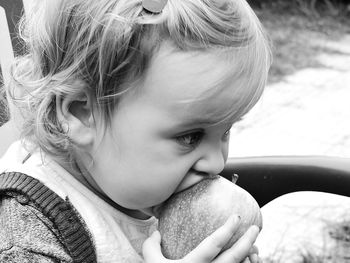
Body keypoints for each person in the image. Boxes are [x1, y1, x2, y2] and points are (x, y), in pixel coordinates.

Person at [0, 0, 271, 262]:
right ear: (81, 114)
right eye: (189, 137)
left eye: (225, 131)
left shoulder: (133, 181)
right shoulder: (28, 236)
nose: (217, 163)